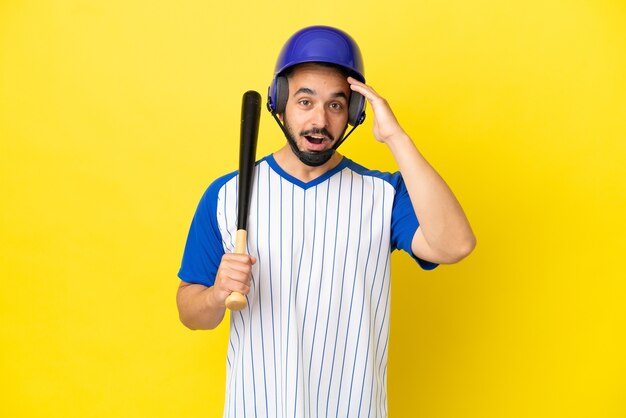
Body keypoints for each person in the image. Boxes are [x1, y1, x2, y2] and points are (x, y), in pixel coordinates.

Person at [177, 25, 475, 417]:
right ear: (280, 103)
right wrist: (216, 293)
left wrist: (396, 137)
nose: (320, 119)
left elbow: (455, 245)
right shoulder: (227, 194)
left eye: (336, 105)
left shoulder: (384, 194)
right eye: (305, 102)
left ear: (352, 112)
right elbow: (189, 312)